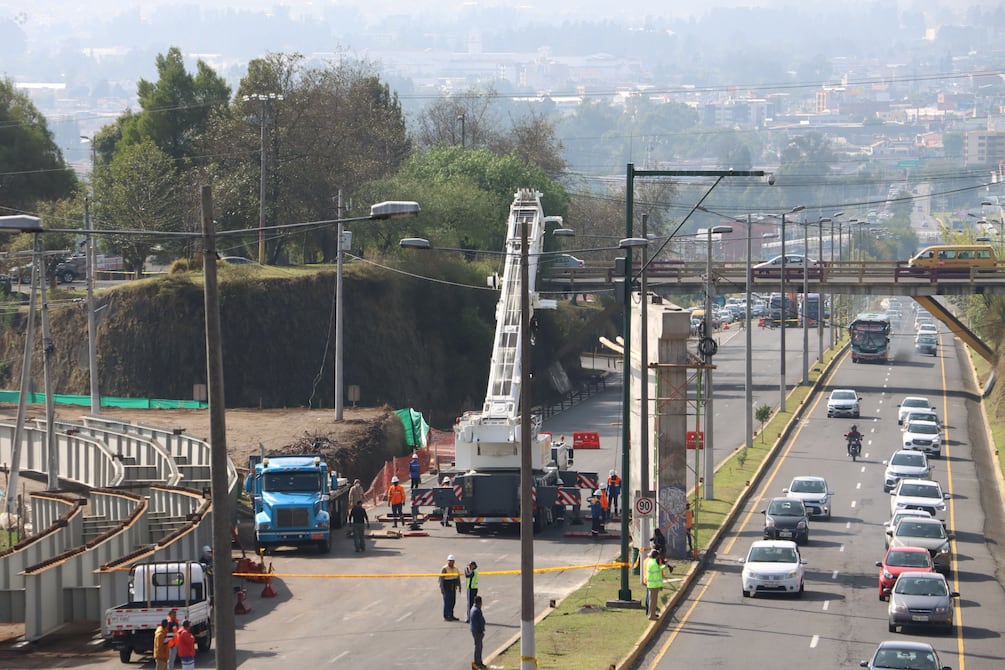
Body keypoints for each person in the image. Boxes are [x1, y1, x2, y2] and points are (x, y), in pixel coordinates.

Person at [645, 550, 668, 620]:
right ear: (657, 556)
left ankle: (651, 614)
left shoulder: (651, 562)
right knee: (653, 601)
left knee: (652, 600)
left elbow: (658, 570)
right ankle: (652, 616)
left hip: (651, 584)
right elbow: (657, 577)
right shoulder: (654, 564)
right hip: (654, 585)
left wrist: (664, 566)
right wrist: (660, 585)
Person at [439, 554, 462, 621]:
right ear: (447, 561)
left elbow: (458, 578)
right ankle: (446, 616)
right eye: (450, 561)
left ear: (454, 561)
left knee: (453, 602)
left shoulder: (456, 569)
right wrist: (442, 588)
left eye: (452, 561)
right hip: (447, 588)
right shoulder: (444, 569)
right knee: (447, 603)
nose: (451, 562)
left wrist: (459, 586)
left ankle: (451, 615)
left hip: (453, 588)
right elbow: (441, 579)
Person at [469, 595, 487, 669]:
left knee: (478, 647)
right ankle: (478, 663)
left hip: (475, 631)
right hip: (477, 632)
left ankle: (478, 662)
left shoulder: (473, 609)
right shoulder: (477, 610)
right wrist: (481, 631)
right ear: (480, 602)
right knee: (478, 647)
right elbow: (480, 622)